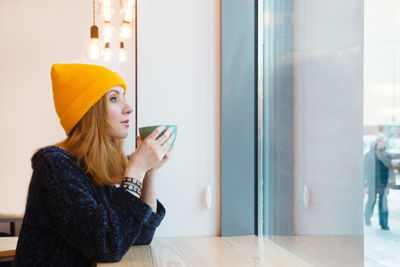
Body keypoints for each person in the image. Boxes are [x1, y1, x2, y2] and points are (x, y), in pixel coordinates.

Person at [15, 63, 175, 266]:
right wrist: (135, 171)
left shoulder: (94, 165)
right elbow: (107, 245)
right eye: (114, 98)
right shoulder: (55, 165)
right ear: (90, 111)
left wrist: (149, 172)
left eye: (123, 97)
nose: (128, 108)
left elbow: (139, 235)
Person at [364, 134, 395, 230]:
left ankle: (384, 224)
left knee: (383, 203)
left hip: (384, 182)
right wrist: (363, 183)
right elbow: (365, 169)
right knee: (371, 200)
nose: (382, 144)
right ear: (377, 142)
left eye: (383, 142)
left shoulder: (387, 155)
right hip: (372, 182)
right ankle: (367, 217)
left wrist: (392, 180)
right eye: (380, 142)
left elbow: (391, 169)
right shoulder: (369, 154)